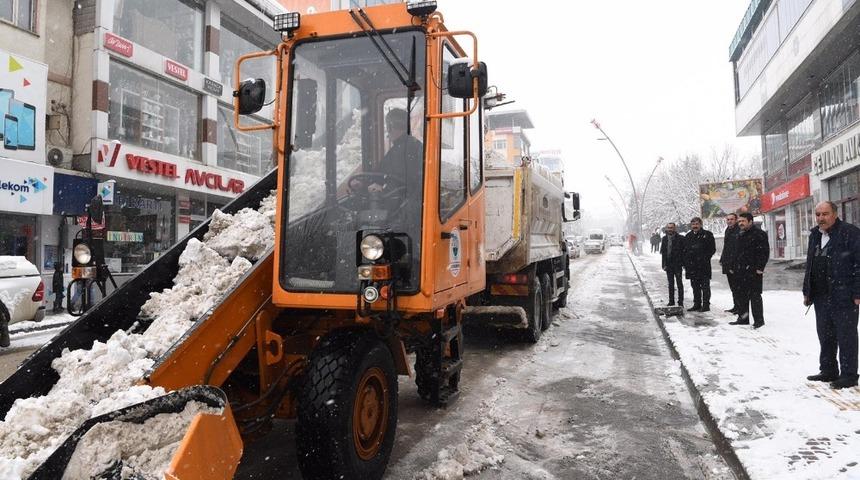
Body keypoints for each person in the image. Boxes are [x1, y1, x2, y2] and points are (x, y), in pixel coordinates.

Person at [803, 201, 860, 389]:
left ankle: (849, 375)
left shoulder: (850, 233)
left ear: (835, 214)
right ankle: (828, 370)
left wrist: (857, 291)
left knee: (846, 336)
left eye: (825, 214)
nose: (821, 218)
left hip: (844, 295)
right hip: (821, 296)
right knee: (825, 335)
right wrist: (807, 291)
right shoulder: (815, 235)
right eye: (818, 214)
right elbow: (810, 264)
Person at [730, 212, 769, 328]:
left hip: (753, 271)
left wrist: (760, 268)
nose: (740, 223)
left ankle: (759, 320)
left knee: (755, 296)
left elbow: (764, 252)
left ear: (750, 221)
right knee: (741, 295)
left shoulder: (759, 234)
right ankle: (743, 318)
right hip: (740, 271)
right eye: (739, 221)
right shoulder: (740, 234)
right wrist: (733, 266)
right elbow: (736, 253)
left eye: (743, 221)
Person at [684, 217, 716, 312]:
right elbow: (685, 250)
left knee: (705, 287)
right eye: (693, 224)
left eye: (697, 224)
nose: (695, 226)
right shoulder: (688, 236)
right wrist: (687, 262)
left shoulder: (707, 234)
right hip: (692, 266)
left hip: (703, 266)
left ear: (701, 224)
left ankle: (706, 305)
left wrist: (704, 258)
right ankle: (697, 304)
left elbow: (712, 249)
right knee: (695, 286)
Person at [719, 213, 741, 314]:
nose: (729, 221)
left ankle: (740, 307)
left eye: (731, 219)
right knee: (733, 286)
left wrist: (734, 263)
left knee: (738, 286)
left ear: (736, 220)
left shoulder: (739, 230)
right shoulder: (728, 230)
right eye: (728, 219)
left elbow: (737, 249)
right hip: (727, 262)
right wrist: (722, 258)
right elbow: (726, 246)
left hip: (736, 263)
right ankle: (736, 306)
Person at [660, 222, 686, 307]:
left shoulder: (681, 238)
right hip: (668, 265)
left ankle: (680, 302)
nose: (670, 229)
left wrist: (683, 263)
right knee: (670, 284)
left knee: (679, 284)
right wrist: (663, 264)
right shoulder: (664, 239)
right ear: (666, 229)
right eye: (668, 228)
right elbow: (663, 253)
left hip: (678, 264)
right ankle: (671, 301)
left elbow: (684, 252)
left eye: (671, 228)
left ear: (675, 229)